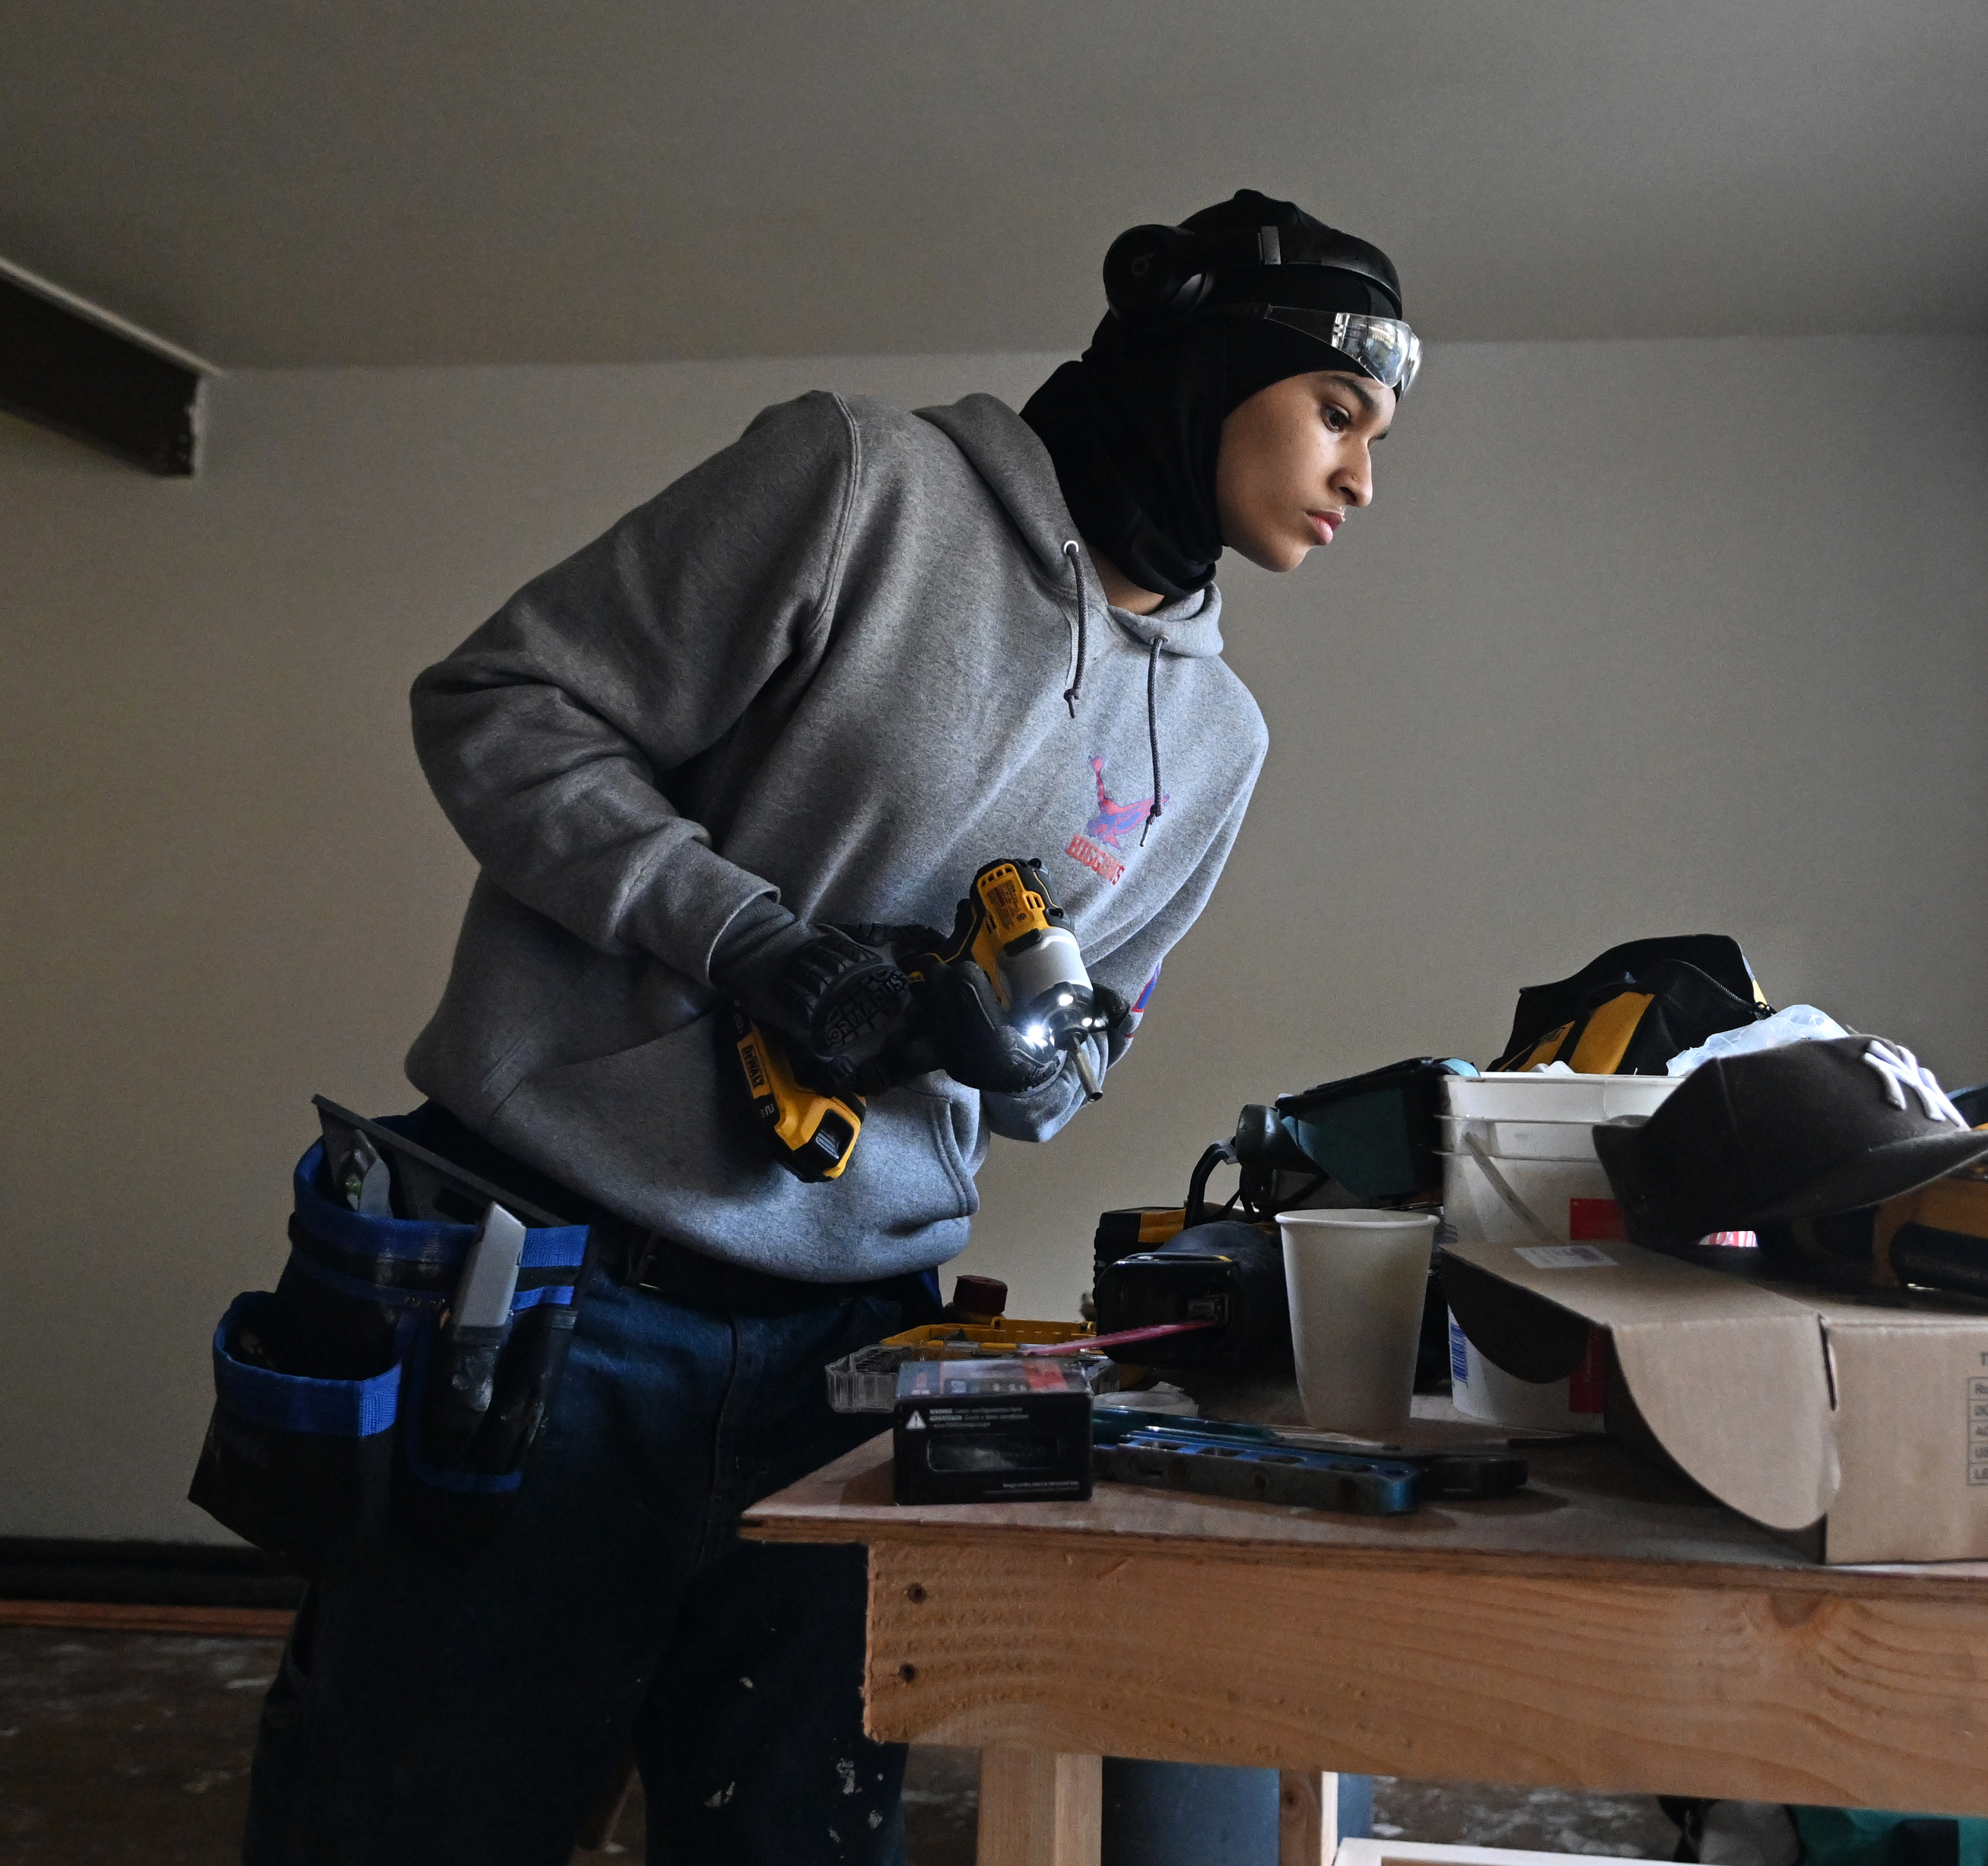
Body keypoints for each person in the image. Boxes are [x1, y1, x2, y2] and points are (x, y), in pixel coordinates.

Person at [243, 189, 1416, 1866]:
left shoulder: (1216, 738)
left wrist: (1006, 1044)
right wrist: (760, 948)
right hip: (563, 1307)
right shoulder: (865, 488)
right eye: (1338, 412)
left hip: (852, 1356)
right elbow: (501, 709)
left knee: (787, 1832)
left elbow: (1083, 1062)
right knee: (419, 1817)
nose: (1364, 477)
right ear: (1209, 359)